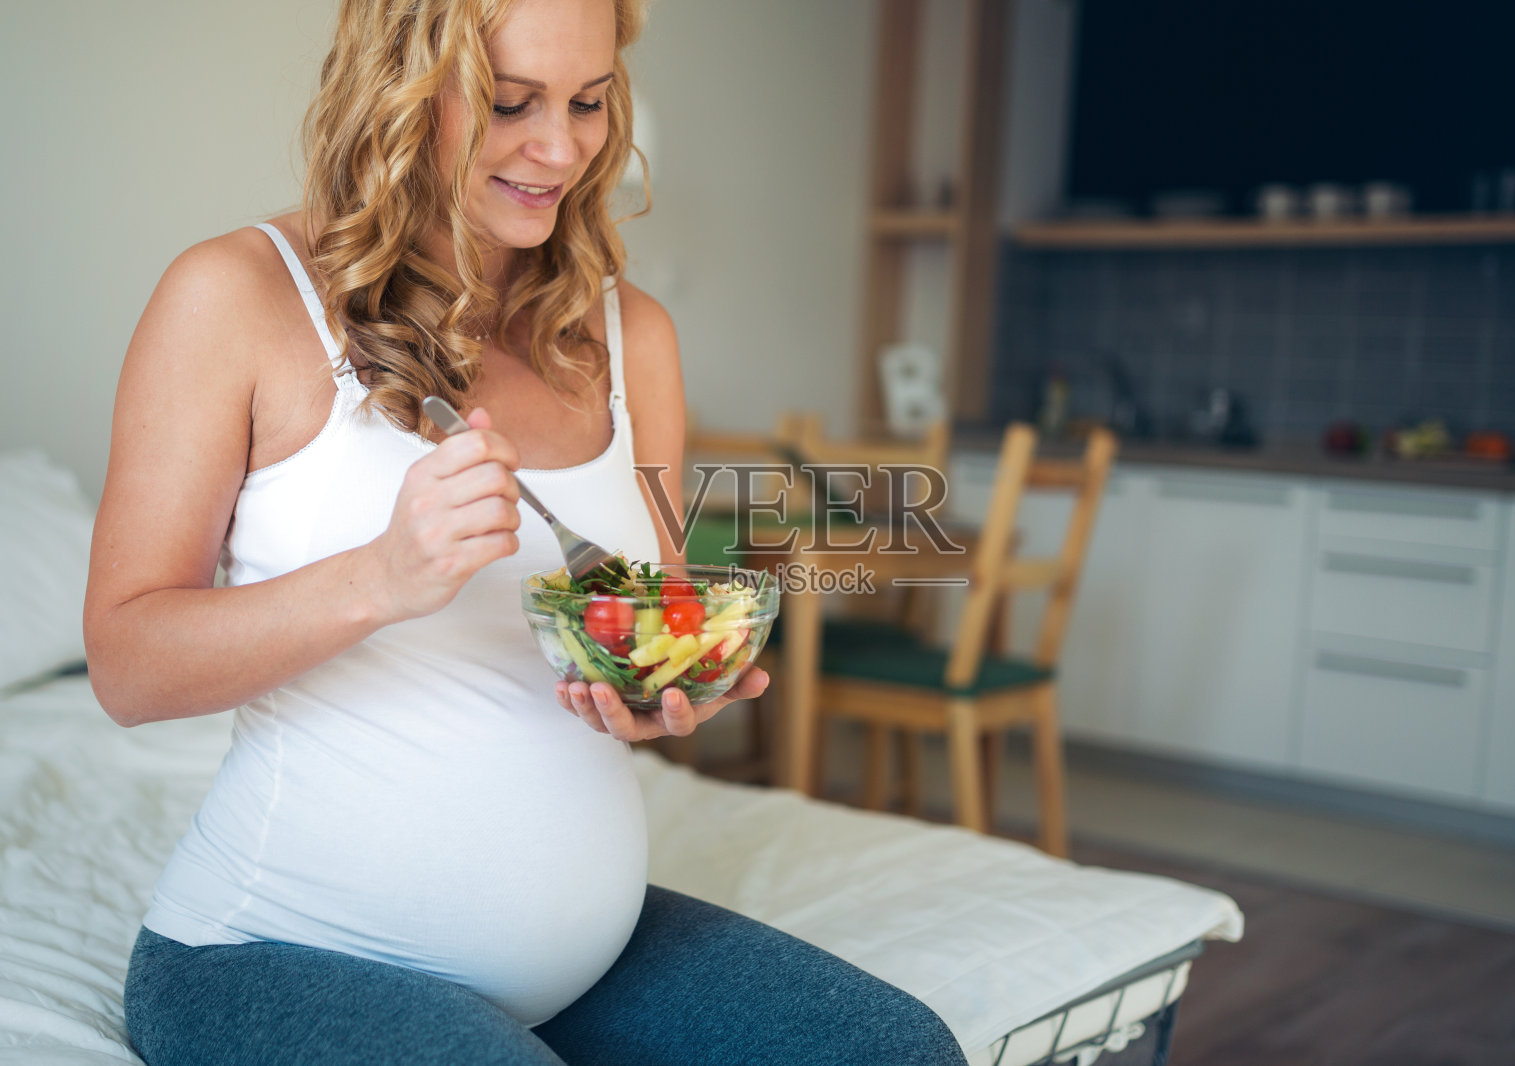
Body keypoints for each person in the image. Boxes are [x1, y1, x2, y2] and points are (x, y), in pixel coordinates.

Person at [82, 0, 967, 1063]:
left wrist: (662, 683)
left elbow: (653, 608)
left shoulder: (631, 335)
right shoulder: (235, 297)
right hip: (278, 953)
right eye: (511, 104)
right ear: (399, 92)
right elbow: (126, 666)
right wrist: (379, 575)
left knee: (896, 1050)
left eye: (588, 102)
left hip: (583, 964)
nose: (561, 149)